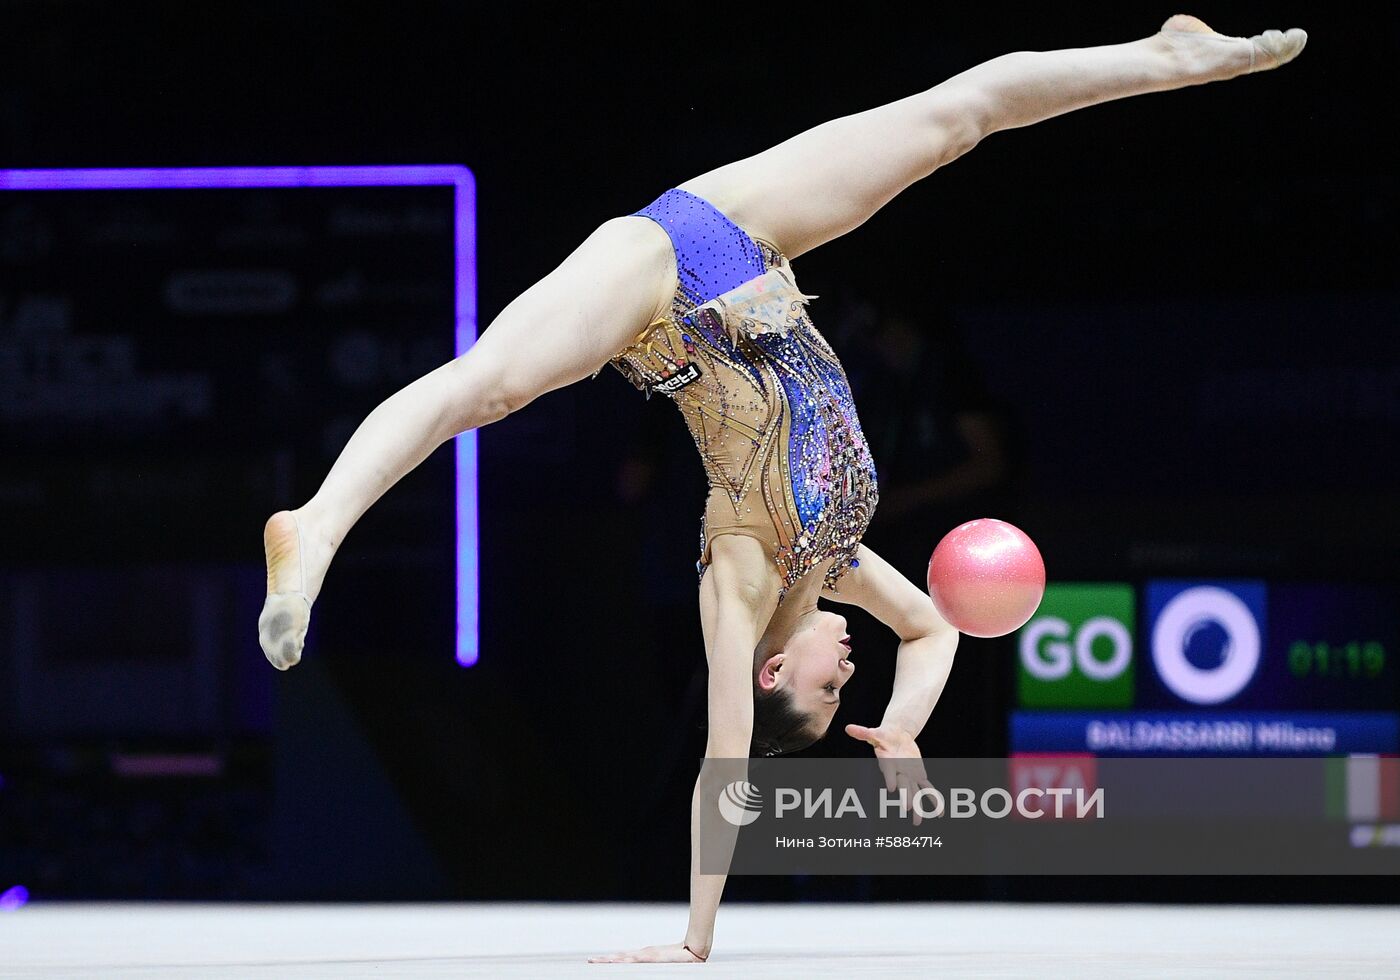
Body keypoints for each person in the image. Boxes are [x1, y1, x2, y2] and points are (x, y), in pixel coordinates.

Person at [256, 16, 1306, 962]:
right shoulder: (834, 563)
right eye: (848, 684)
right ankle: (1166, 59)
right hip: (749, 241)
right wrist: (899, 729)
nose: (846, 666)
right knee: (956, 120)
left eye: (828, 686)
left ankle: (315, 523)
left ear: (771, 675)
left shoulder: (743, 589)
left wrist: (694, 939)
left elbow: (727, 767)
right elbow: (934, 629)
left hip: (656, 288)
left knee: (483, 387)